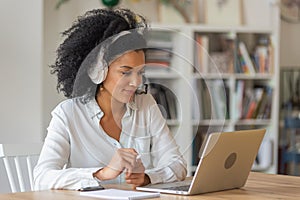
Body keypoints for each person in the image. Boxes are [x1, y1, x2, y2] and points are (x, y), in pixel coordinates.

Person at [33, 8, 187, 191]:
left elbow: (177, 165)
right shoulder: (67, 114)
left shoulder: (146, 105)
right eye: (126, 72)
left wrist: (146, 178)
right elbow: (42, 178)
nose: (136, 82)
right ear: (98, 70)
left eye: (140, 73)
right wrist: (102, 173)